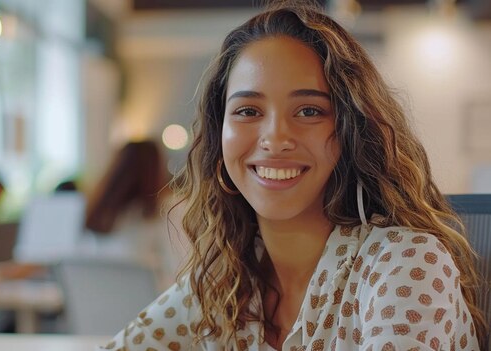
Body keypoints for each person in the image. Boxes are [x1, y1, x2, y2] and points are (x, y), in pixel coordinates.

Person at [98, 2, 487, 350]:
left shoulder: (405, 263)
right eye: (248, 111)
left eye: (308, 111)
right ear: (220, 137)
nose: (275, 139)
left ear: (351, 130)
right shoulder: (225, 284)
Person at [80, 140, 184, 290]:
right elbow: (182, 273)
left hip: (101, 304)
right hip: (148, 308)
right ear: (156, 169)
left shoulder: (102, 215)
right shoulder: (168, 209)